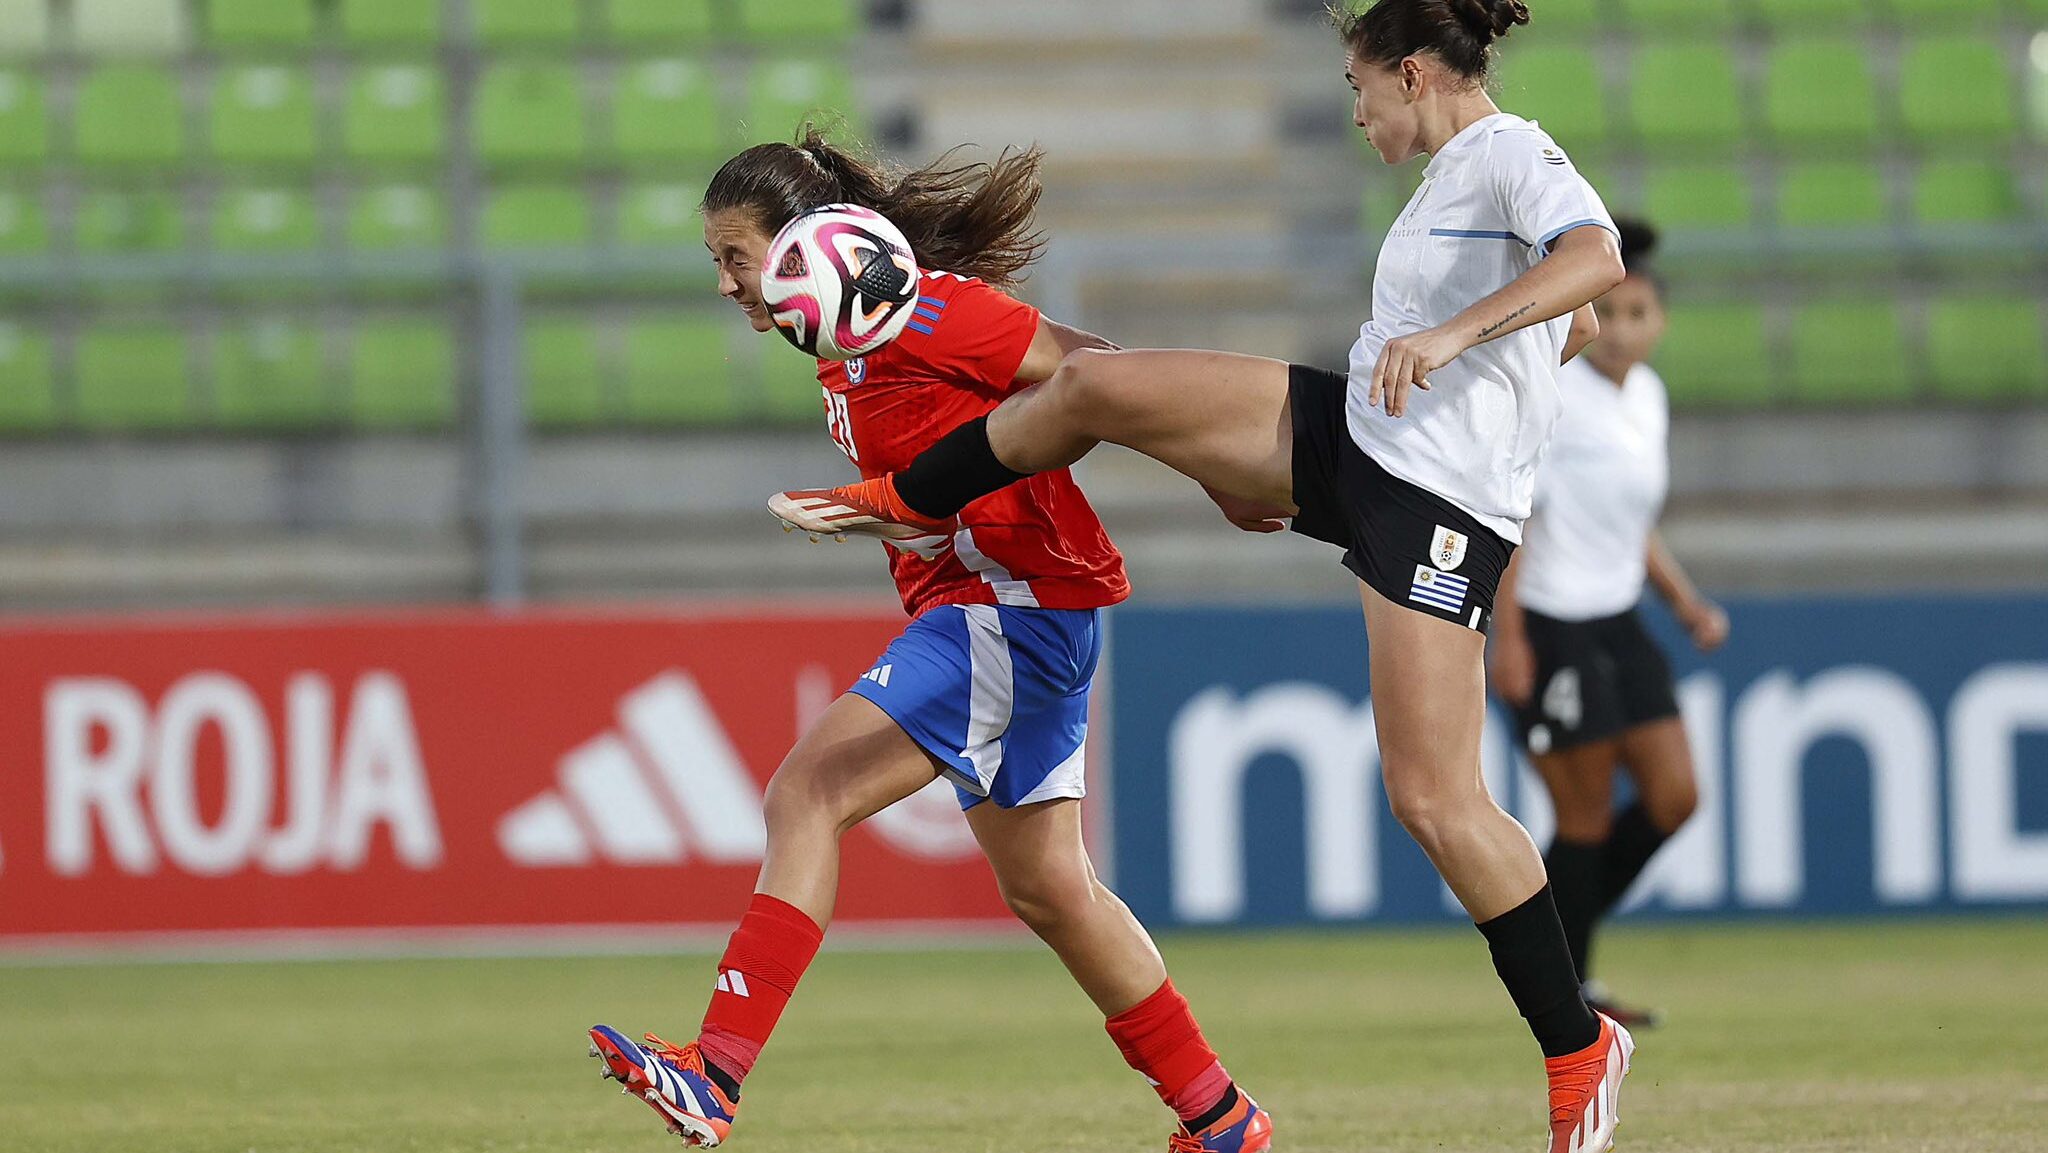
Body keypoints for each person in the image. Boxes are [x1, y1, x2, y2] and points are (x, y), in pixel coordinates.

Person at [770, 2, 1638, 1150]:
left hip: (1434, 502)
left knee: (1432, 798)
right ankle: (906, 502)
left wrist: (1461, 336)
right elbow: (1553, 312)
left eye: (1357, 84)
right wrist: (1505, 345)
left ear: (1414, 74)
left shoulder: (1511, 152)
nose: (1354, 105)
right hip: (1359, 437)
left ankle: (1577, 1041)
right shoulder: (1445, 182)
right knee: (1091, 391)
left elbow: (1593, 258)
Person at [587, 133, 1273, 1153]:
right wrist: (879, 512)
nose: (725, 283)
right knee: (1050, 887)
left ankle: (714, 1071)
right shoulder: (844, 336)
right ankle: (1220, 1118)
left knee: (805, 795)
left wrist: (1224, 468)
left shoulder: (930, 309)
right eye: (717, 262)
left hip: (1009, 606)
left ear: (808, 243)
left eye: (734, 257)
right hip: (1004, 609)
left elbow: (1098, 374)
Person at [1489, 217, 1728, 1029]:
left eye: (1639, 315)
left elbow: (1633, 524)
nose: (1622, 330)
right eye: (1611, 313)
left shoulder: (1647, 400)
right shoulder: (1558, 397)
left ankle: (1556, 936)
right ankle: (1569, 990)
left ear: (1659, 321)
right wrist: (1509, 635)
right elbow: (1516, 519)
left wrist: (1683, 601)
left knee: (1674, 797)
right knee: (1584, 816)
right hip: (1554, 624)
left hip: (1620, 617)